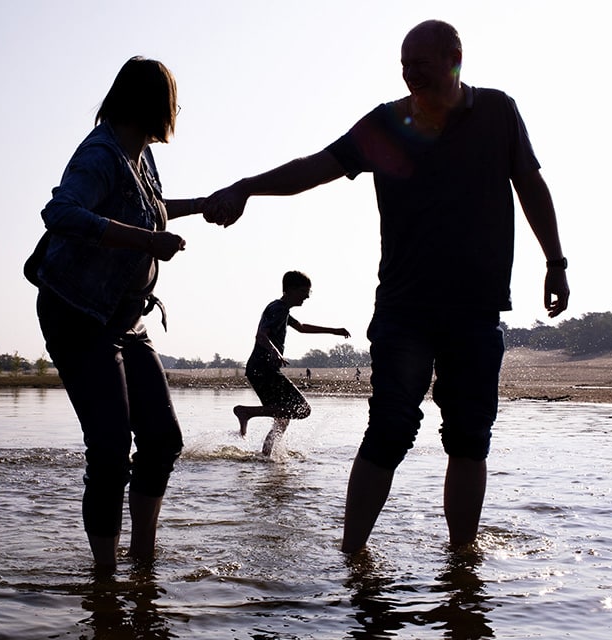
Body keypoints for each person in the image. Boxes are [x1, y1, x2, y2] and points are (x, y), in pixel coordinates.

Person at [204, 20, 569, 553]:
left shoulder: (497, 112)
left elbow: (531, 184)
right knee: (390, 429)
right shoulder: (387, 123)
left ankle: (461, 563)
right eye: (403, 63)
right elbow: (316, 167)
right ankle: (354, 559)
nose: (409, 73)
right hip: (404, 310)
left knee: (469, 439)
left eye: (420, 63)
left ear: (454, 59)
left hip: (475, 308)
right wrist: (248, 188)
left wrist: (555, 261)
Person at [28, 57, 207, 567]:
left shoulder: (140, 154)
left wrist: (201, 203)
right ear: (156, 105)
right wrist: (148, 240)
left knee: (163, 440)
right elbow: (60, 213)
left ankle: (142, 561)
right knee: (109, 450)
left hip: (127, 318)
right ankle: (104, 581)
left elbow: (145, 207)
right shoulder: (102, 152)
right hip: (78, 314)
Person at [234, 270, 351, 456]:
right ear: (290, 289)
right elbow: (261, 335)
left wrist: (333, 330)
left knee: (283, 417)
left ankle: (266, 456)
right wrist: (275, 352)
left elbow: (302, 328)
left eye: (309, 292)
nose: (307, 296)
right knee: (303, 409)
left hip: (260, 368)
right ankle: (246, 412)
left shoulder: (282, 309)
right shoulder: (278, 309)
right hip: (263, 368)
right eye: (304, 291)